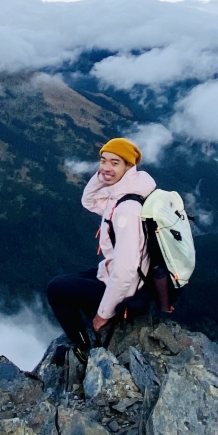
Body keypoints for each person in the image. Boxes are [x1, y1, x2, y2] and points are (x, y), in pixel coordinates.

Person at [46, 137, 157, 353]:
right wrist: (104, 176)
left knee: (56, 289)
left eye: (115, 163)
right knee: (67, 280)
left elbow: (125, 272)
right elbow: (89, 201)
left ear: (129, 166)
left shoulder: (127, 209)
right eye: (103, 161)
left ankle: (83, 347)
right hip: (122, 271)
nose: (106, 167)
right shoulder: (124, 194)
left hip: (129, 287)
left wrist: (102, 315)